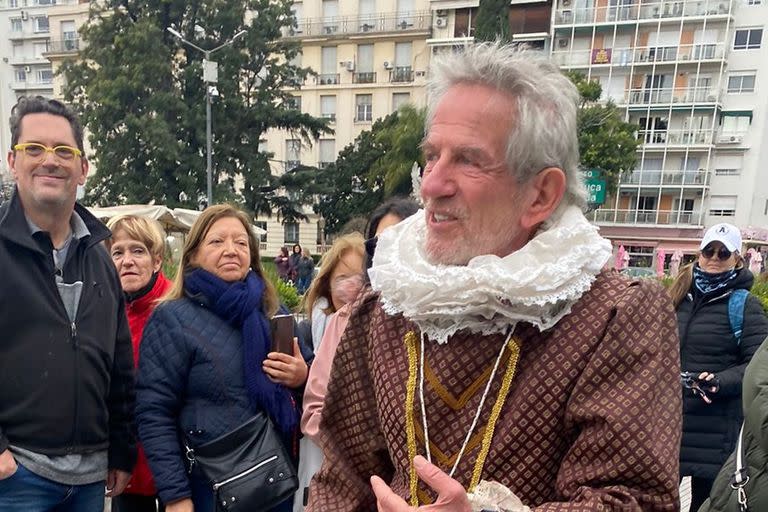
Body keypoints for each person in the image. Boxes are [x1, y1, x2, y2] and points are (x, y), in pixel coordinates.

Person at [306, 42, 682, 511]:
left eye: (468, 160)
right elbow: (341, 479)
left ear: (540, 194)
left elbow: (634, 500)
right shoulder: (385, 305)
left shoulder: (616, 316)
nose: (431, 186)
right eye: (432, 156)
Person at [0, 96, 136, 510]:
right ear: (12, 160)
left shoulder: (101, 255)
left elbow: (120, 363)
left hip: (92, 479)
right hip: (17, 476)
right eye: (34, 149)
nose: (50, 160)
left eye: (64, 151)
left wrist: (122, 449)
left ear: (82, 168)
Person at [136, 204, 311, 512]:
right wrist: (176, 497)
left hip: (276, 482)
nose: (231, 250)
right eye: (217, 242)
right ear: (193, 255)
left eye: (241, 243)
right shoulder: (171, 318)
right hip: (210, 490)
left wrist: (301, 376)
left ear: (252, 256)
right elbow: (154, 413)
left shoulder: (271, 309)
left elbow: (315, 380)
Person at [669, 223, 768, 511]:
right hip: (670, 420)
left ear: (736, 259)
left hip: (716, 427)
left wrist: (720, 381)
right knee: (659, 500)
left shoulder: (744, 305)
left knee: (705, 503)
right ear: (698, 254)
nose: (714, 258)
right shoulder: (677, 297)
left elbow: (757, 367)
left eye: (723, 253)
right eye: (708, 251)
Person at [106, 215, 173, 512]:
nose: (127, 261)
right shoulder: (104, 310)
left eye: (138, 251)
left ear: (156, 261)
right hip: (126, 466)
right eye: (118, 252)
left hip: (172, 469)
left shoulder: (177, 308)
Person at [294, 233, 365, 511]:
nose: (350, 286)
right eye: (342, 277)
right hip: (319, 454)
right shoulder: (314, 328)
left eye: (359, 276)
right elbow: (311, 402)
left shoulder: (379, 329)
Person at [699, 334, 768, 512]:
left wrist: (722, 380)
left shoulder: (743, 309)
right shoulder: (679, 308)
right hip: (689, 418)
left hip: (721, 422)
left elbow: (749, 366)